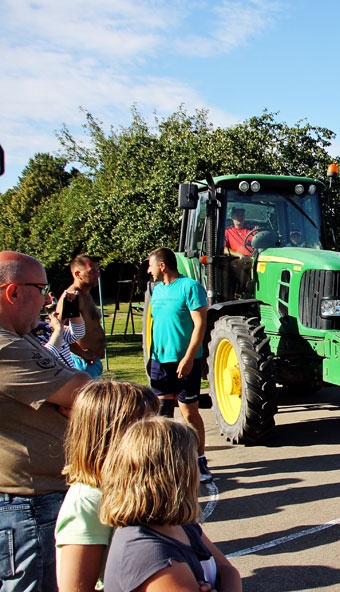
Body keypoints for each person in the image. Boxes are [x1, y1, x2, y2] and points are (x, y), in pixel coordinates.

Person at [0, 250, 91, 591]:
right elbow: (83, 391)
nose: (47, 298)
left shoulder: (21, 338)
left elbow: (78, 388)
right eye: (41, 288)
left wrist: (73, 395)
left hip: (38, 500)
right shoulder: (5, 346)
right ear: (14, 292)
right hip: (28, 506)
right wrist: (74, 398)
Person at [100, 417, 241, 592]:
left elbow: (229, 571)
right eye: (194, 462)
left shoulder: (182, 526)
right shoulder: (150, 554)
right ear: (179, 474)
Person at [55, 381, 160, 592]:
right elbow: (76, 588)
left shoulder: (142, 486)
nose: (158, 431)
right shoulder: (87, 501)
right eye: (146, 425)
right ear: (110, 434)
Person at [146, 247, 213, 483]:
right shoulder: (157, 291)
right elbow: (157, 325)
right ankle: (166, 464)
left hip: (186, 362)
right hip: (159, 362)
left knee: (188, 413)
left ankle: (199, 461)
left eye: (151, 265)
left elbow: (200, 325)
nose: (149, 270)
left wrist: (187, 358)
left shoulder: (190, 287)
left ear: (162, 265)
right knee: (162, 415)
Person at [57, 255, 105, 379]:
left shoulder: (86, 295)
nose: (97, 275)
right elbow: (58, 330)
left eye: (97, 271)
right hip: (81, 363)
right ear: (78, 274)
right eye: (92, 272)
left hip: (92, 362)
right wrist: (82, 354)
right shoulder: (72, 297)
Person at [34, 297, 85, 369]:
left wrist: (72, 308)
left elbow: (77, 334)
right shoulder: (22, 336)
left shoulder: (44, 326)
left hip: (70, 376)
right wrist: (58, 329)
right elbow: (47, 357)